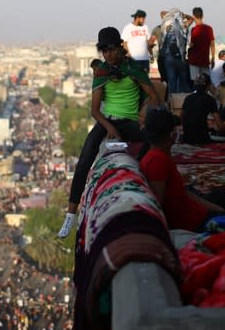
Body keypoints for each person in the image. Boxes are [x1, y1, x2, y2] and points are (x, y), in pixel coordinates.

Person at [58, 27, 160, 237]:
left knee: (153, 144)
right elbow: (95, 111)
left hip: (130, 121)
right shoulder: (102, 73)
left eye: (112, 50)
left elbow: (153, 96)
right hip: (107, 121)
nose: (108, 55)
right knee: (85, 157)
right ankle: (70, 214)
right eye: (104, 51)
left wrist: (143, 113)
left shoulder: (133, 68)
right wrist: (110, 128)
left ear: (120, 48)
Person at [140, 108, 225, 231]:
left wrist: (211, 207)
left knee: (222, 197)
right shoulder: (157, 161)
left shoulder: (154, 156)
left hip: (191, 210)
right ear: (173, 135)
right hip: (191, 221)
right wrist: (214, 209)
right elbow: (159, 205)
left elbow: (182, 193)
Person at [158, 9, 194, 94]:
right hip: (181, 58)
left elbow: (162, 13)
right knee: (182, 82)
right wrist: (183, 14)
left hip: (169, 58)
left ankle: (172, 102)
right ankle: (181, 101)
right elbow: (191, 18)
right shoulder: (184, 26)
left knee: (172, 82)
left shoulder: (166, 26)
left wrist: (171, 14)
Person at [181, 73, 223, 144]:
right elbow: (220, 126)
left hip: (186, 138)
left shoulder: (188, 98)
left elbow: (181, 116)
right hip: (202, 139)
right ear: (208, 86)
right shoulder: (210, 100)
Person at [186, 7, 215, 83]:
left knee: (195, 82)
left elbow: (191, 44)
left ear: (194, 16)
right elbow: (212, 44)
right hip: (205, 60)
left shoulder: (193, 30)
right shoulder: (209, 28)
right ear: (202, 16)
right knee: (206, 82)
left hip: (194, 60)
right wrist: (213, 57)